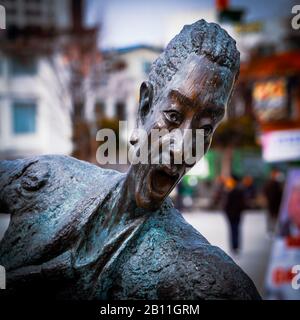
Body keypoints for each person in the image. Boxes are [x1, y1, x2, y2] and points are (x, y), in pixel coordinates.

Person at [0, 20, 260, 299]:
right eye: (173, 116)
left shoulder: (203, 277)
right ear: (145, 107)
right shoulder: (50, 182)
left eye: (206, 129)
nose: (184, 148)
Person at [223, 176, 245, 254]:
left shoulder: (230, 191)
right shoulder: (239, 190)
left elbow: (226, 204)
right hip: (236, 214)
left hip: (232, 214)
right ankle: (236, 246)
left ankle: (234, 246)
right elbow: (243, 204)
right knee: (236, 230)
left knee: (233, 230)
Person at [263, 168, 283, 234]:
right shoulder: (270, 183)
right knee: (271, 218)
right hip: (272, 204)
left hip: (275, 204)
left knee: (273, 219)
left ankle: (272, 230)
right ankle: (270, 230)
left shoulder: (277, 183)